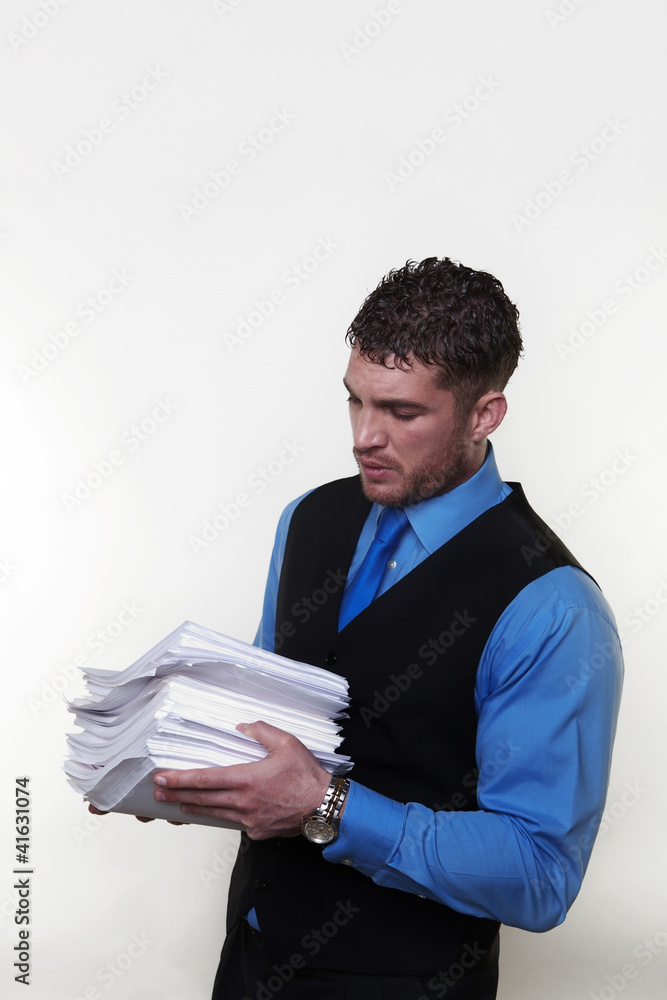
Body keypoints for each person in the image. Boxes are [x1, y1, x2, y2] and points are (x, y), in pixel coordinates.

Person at [151, 257, 623, 999]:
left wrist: (329, 807)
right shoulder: (308, 518)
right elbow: (268, 713)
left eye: (402, 413)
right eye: (355, 401)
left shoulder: (553, 607)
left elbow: (540, 872)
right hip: (249, 958)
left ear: (484, 415)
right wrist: (176, 771)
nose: (365, 436)